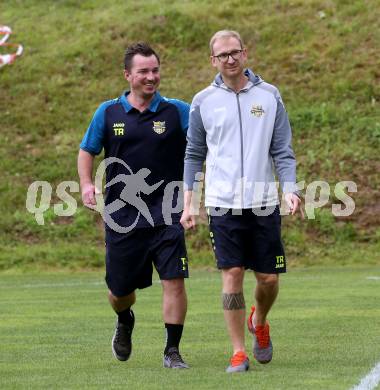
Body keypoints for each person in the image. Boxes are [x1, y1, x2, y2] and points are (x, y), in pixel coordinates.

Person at [181, 30, 301, 373]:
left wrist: (289, 188)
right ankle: (238, 352)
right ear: (213, 61)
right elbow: (193, 154)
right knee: (231, 274)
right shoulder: (203, 101)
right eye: (223, 55)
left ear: (245, 54)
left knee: (269, 279)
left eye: (235, 52)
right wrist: (189, 203)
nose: (230, 59)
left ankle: (259, 320)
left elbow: (282, 150)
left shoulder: (270, 95)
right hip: (222, 204)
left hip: (264, 203)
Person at [78, 42, 190, 369]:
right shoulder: (108, 112)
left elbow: (204, 142)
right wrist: (87, 183)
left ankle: (172, 350)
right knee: (119, 290)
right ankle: (125, 319)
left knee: (174, 280)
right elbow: (87, 150)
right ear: (128, 75)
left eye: (155, 70)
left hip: (168, 212)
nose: (151, 77)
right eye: (143, 71)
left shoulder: (177, 112)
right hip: (123, 217)